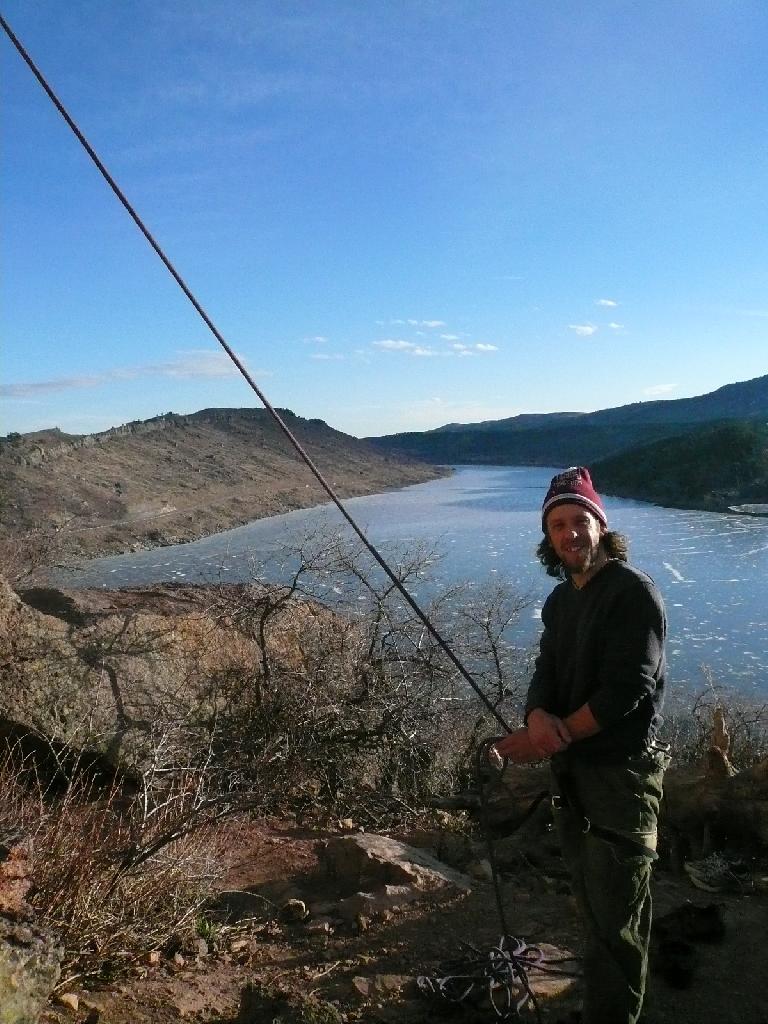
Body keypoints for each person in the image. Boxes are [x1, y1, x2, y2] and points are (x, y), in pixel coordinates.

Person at [494, 466, 669, 1024]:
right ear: (548, 537)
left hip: (621, 779)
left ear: (601, 525)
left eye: (580, 520)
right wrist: (538, 716)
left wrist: (552, 735)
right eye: (558, 524)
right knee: (592, 909)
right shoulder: (561, 601)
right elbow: (546, 668)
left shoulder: (632, 594)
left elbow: (628, 689)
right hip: (573, 779)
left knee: (617, 919)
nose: (570, 533)